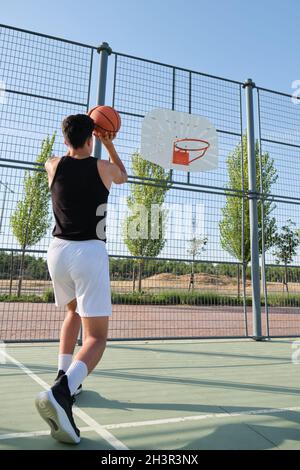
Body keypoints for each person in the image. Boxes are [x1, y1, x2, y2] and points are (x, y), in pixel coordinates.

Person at [35, 114, 127, 444]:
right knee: (97, 338)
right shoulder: (102, 168)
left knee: (72, 312)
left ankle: (63, 374)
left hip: (56, 252)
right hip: (89, 252)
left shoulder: (52, 164)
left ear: (65, 140)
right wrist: (109, 143)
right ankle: (62, 391)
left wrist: (88, 132)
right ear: (92, 138)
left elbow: (69, 153)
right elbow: (124, 176)